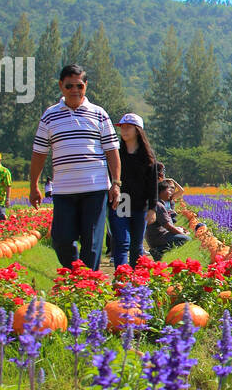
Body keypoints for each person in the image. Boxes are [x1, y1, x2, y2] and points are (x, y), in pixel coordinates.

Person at [30, 64, 121, 270]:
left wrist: (116, 183)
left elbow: (112, 151)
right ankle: (76, 273)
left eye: (79, 85)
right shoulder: (50, 116)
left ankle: (87, 283)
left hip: (95, 189)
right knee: (61, 239)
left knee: (92, 242)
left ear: (86, 86)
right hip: (64, 189)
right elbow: (39, 153)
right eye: (69, 86)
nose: (75, 90)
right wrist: (34, 185)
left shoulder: (99, 114)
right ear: (61, 86)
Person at [108, 113, 159, 269]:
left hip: (140, 205)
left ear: (138, 130)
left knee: (137, 245)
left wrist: (152, 208)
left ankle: (137, 280)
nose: (124, 131)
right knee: (122, 242)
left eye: (128, 127)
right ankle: (121, 278)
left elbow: (152, 185)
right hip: (121, 202)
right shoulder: (116, 154)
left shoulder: (148, 157)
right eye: (122, 127)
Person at [146, 180, 191, 261]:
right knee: (186, 239)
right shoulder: (159, 205)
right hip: (158, 238)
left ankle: (163, 252)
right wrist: (182, 234)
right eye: (168, 190)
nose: (171, 192)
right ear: (161, 192)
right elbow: (168, 226)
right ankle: (159, 251)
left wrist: (178, 229)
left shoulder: (158, 203)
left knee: (182, 234)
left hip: (158, 236)